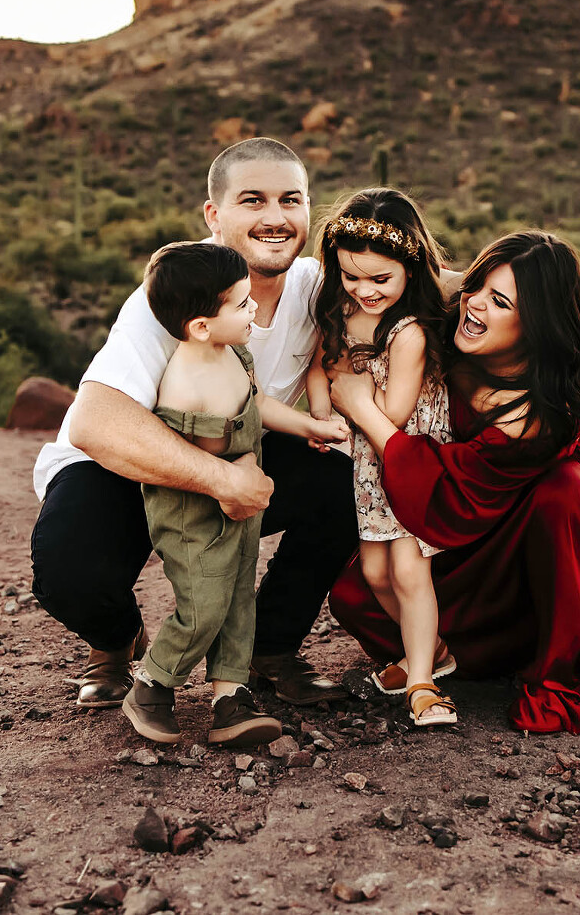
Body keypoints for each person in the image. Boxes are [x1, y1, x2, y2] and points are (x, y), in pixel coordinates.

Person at [327, 231, 580, 733]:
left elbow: (451, 490)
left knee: (565, 489)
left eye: (500, 302)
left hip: (532, 544)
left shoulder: (536, 414)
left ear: (535, 324)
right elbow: (397, 271)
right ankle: (450, 648)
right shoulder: (460, 311)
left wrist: (363, 410)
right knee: (357, 595)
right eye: (477, 287)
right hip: (466, 542)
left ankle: (558, 646)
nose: (474, 306)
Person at [31, 138, 358, 710]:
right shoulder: (176, 290)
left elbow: (421, 281)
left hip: (241, 450)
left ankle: (269, 649)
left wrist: (495, 286)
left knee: (344, 483)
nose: (276, 219)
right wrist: (220, 480)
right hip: (129, 462)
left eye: (292, 200)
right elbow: (93, 421)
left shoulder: (316, 284)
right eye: (252, 201)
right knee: (69, 568)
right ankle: (114, 638)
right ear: (214, 214)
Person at [121, 242, 347, 746]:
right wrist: (237, 468)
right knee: (204, 602)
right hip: (196, 512)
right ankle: (152, 683)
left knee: (239, 595)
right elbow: (192, 462)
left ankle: (230, 694)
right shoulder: (184, 382)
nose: (254, 312)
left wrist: (310, 425)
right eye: (243, 305)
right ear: (201, 325)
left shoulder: (234, 352)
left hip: (242, 505)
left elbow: (257, 402)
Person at [305, 189, 457, 728]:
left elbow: (392, 411)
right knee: (374, 570)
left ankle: (422, 683)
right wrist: (324, 415)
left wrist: (353, 390)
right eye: (351, 276)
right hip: (368, 462)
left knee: (410, 571)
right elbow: (320, 367)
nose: (364, 290)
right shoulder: (341, 312)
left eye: (379, 279)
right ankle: (433, 650)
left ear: (409, 271)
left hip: (406, 456)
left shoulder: (410, 331)